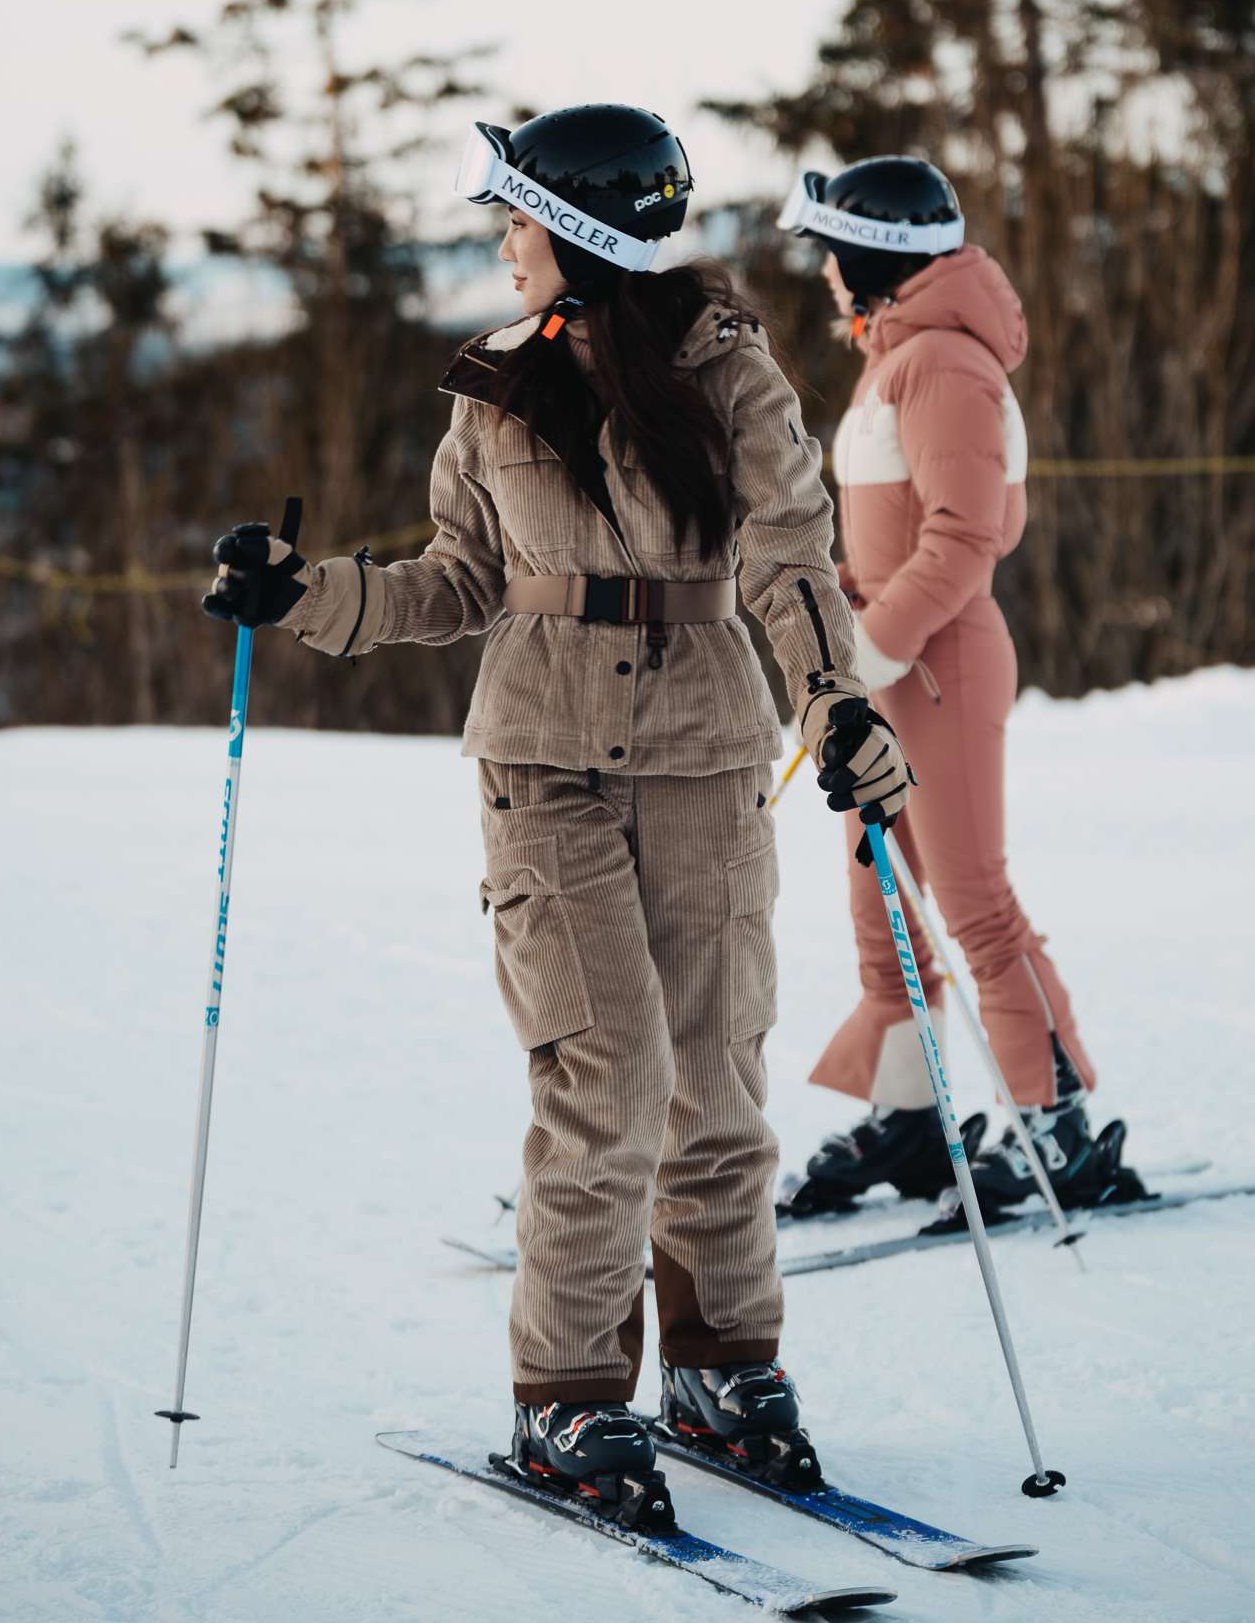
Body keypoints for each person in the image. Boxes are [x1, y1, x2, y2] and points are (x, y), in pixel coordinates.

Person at [203, 104, 910, 1530]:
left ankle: (721, 1364)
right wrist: (307, 593)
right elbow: (457, 577)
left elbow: (789, 552)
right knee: (609, 1074)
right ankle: (568, 1390)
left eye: (517, 217)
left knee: (714, 1079)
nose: (504, 243)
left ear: (578, 230)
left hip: (705, 753)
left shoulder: (728, 371)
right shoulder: (494, 388)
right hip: (543, 760)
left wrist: (833, 701)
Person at [776, 154, 1115, 1218]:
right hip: (885, 662)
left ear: (871, 255)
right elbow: (902, 528)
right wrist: (845, 601)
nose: (824, 270)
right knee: (885, 904)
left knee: (971, 902)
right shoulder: (899, 356)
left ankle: (1058, 1123)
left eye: (832, 250)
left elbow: (966, 536)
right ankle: (913, 1116)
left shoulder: (941, 364)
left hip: (940, 663)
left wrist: (872, 644)